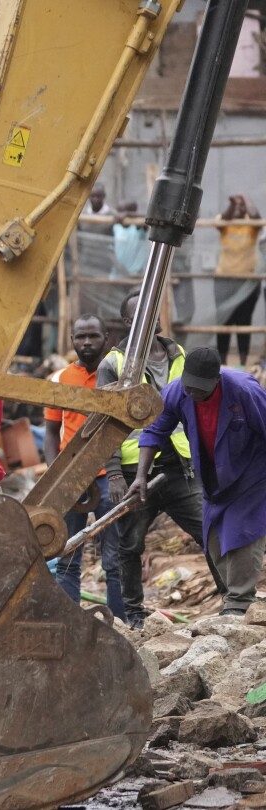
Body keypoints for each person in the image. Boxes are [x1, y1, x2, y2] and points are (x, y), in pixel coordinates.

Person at [128, 347, 266, 615]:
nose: (194, 394)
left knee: (242, 533)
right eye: (190, 387)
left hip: (252, 473)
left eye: (201, 390)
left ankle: (239, 603)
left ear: (217, 379)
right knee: (213, 538)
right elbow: (155, 431)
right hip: (213, 475)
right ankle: (231, 598)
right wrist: (140, 476)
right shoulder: (176, 391)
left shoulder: (243, 390)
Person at [98, 292, 204, 627]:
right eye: (141, 313)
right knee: (129, 547)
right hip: (133, 472)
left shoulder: (179, 353)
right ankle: (135, 617)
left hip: (180, 467)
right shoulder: (113, 364)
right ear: (128, 322)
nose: (152, 317)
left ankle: (232, 604)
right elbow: (104, 423)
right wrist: (114, 474)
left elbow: (193, 409)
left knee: (211, 532)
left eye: (154, 311)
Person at [44, 314, 125, 619]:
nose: (87, 342)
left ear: (107, 339)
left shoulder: (117, 375)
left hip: (109, 477)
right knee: (66, 554)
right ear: (72, 341)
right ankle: (70, 620)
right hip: (71, 477)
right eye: (81, 337)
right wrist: (57, 476)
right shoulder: (61, 379)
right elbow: (51, 432)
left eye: (93, 336)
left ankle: (121, 623)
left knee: (115, 558)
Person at [216, 194, 263, 366]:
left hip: (247, 281)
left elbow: (257, 217)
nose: (238, 209)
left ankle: (242, 363)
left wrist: (245, 199)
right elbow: (224, 218)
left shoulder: (251, 226)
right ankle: (223, 363)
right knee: (224, 321)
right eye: (236, 207)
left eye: (241, 207)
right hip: (224, 280)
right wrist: (232, 203)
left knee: (244, 320)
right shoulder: (225, 223)